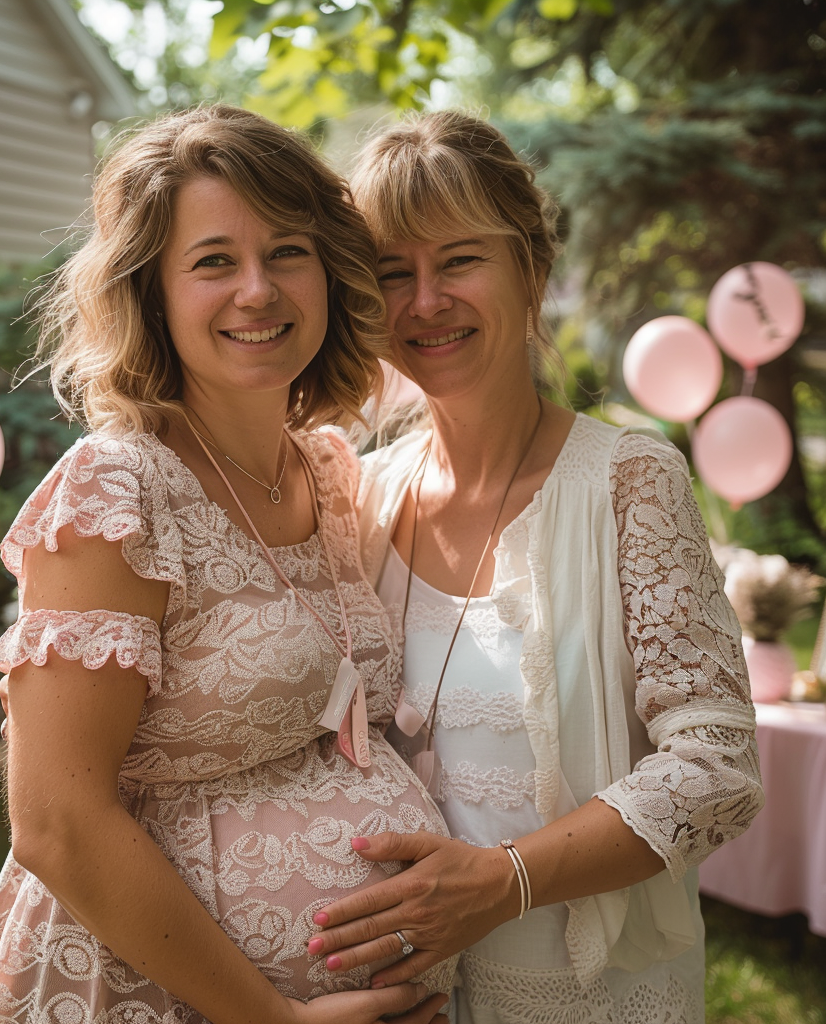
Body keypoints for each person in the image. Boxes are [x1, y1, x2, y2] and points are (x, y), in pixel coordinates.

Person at [0, 104, 456, 1024]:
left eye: (288, 251)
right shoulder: (117, 494)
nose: (258, 290)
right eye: (214, 261)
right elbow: (57, 822)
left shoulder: (326, 469)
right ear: (150, 292)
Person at [304, 111, 764, 1023]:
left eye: (460, 260)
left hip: (586, 994)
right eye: (394, 272)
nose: (425, 301)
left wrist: (500, 884)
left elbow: (718, 767)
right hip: (402, 1001)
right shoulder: (357, 495)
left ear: (532, 271)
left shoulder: (628, 481)